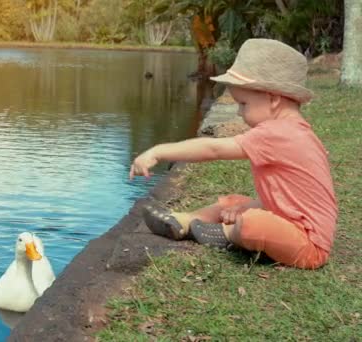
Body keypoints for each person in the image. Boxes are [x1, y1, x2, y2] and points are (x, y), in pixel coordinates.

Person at [129, 38, 337, 270]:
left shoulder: (277, 133)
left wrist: (159, 151)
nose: (239, 112)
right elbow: (287, 198)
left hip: (308, 247)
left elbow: (213, 148)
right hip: (289, 225)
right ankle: (185, 220)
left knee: (251, 223)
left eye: (243, 104)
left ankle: (223, 234)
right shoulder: (296, 132)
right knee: (234, 204)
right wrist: (249, 206)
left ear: (273, 99)